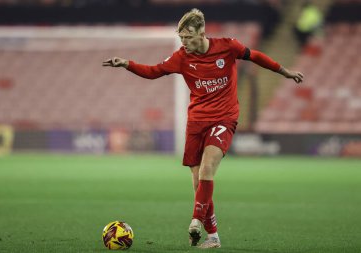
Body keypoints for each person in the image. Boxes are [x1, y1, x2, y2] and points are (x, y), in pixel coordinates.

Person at [103, 8, 303, 249]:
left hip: (224, 118)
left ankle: (195, 221)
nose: (184, 43)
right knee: (198, 183)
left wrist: (285, 71)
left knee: (208, 167)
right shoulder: (181, 57)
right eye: (181, 38)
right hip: (197, 121)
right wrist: (127, 64)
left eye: (188, 37)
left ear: (202, 32)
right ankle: (213, 237)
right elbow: (153, 72)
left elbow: (257, 56)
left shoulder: (228, 46)